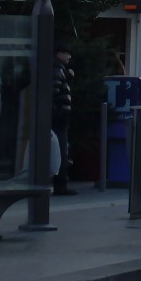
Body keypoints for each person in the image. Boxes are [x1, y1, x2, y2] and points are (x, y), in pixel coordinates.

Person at [52, 43, 76, 195]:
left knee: (62, 149)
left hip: (59, 117)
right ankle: (61, 184)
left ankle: (61, 183)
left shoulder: (60, 70)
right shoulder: (56, 69)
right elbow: (54, 93)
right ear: (58, 53)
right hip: (59, 118)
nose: (69, 57)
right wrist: (59, 113)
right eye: (66, 53)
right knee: (61, 150)